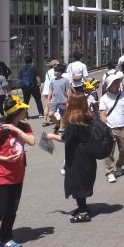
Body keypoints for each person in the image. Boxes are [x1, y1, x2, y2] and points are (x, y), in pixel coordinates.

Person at [47, 94, 97, 222]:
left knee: (77, 182)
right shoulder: (86, 115)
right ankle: (83, 207)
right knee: (81, 180)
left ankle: (83, 212)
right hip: (87, 154)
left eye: (69, 100)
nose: (66, 101)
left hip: (77, 156)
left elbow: (65, 139)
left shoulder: (74, 119)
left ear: (74, 103)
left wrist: (51, 136)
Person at [0, 97, 35, 247]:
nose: (26, 111)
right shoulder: (0, 131)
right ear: (17, 112)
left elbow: (31, 141)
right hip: (1, 176)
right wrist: (4, 159)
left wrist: (16, 130)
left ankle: (6, 238)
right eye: (23, 109)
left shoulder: (24, 127)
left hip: (18, 176)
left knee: (12, 208)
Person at [98, 71, 124, 183]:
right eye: (115, 83)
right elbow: (102, 114)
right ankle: (110, 172)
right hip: (110, 128)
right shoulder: (104, 98)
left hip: (123, 126)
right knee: (109, 151)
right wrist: (106, 126)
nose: (118, 85)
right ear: (109, 85)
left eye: (118, 82)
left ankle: (119, 165)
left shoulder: (123, 95)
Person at [41, 59, 59, 124]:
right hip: (52, 90)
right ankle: (54, 118)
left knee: (47, 105)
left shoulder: (48, 72)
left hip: (46, 89)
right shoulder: (57, 72)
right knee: (55, 104)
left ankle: (44, 120)